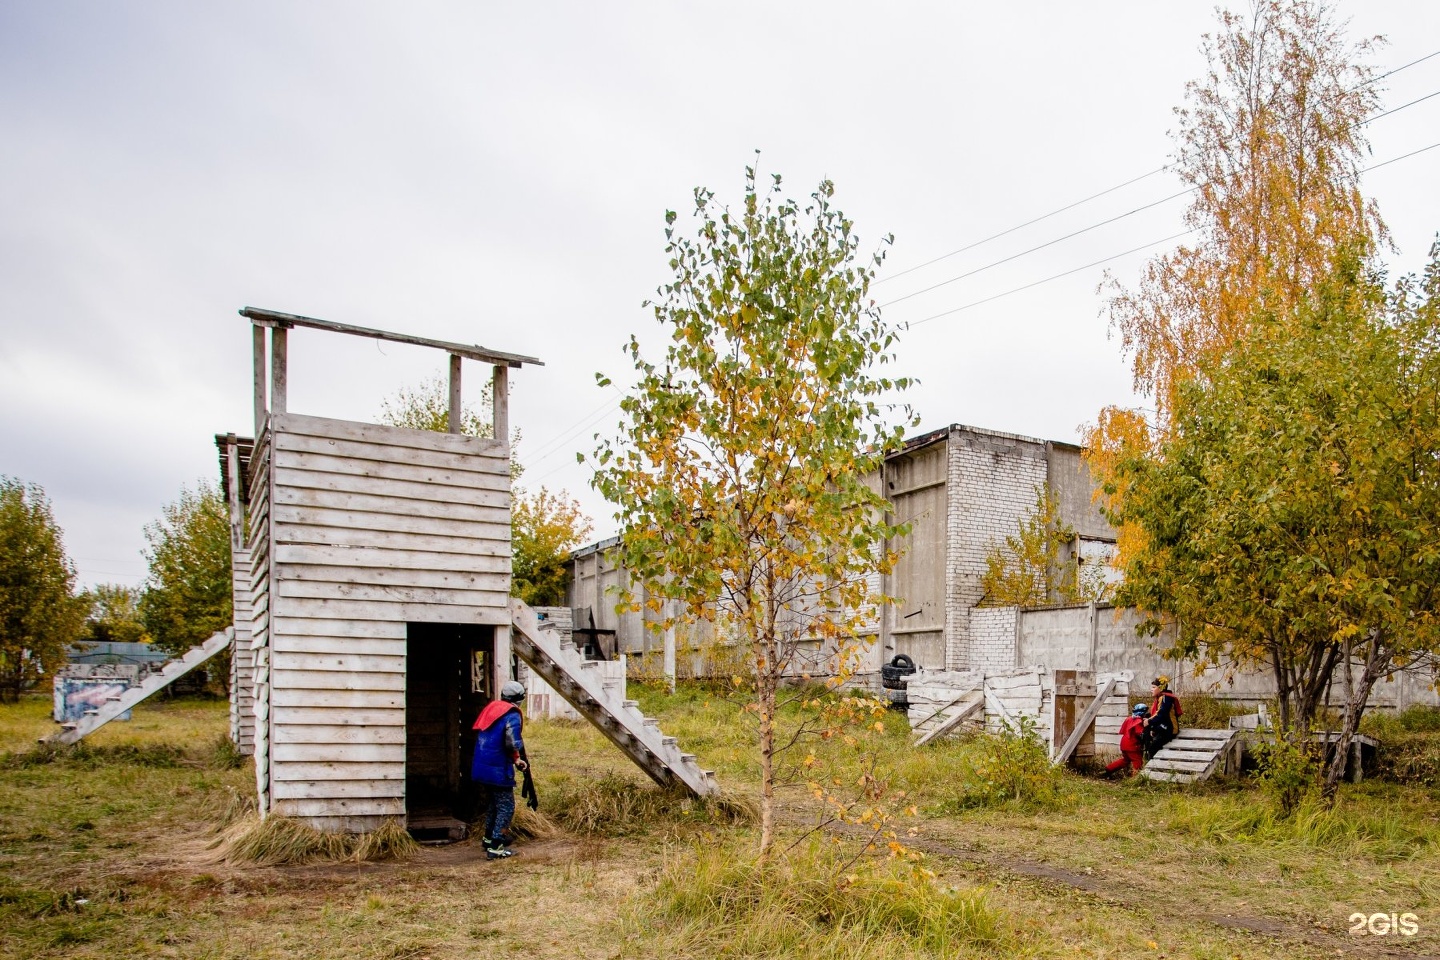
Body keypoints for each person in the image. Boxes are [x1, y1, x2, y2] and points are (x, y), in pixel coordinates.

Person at [471, 680, 529, 860]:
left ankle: (488, 839)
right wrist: (518, 758)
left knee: (494, 805)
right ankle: (497, 846)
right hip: (497, 769)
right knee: (507, 807)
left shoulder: (492, 709)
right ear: (519, 699)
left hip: (481, 766)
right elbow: (512, 741)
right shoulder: (511, 714)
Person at [1143, 675, 1183, 759]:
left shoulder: (1166, 698)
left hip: (1170, 729)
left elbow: (1161, 714)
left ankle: (1152, 766)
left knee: (1153, 748)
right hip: (1164, 726)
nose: (1151, 689)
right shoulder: (1161, 697)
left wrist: (1149, 722)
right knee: (1145, 734)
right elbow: (1156, 714)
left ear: (1160, 688)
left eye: (1154, 687)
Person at [1105, 703, 1149, 777]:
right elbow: (1140, 733)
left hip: (1124, 743)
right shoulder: (1138, 721)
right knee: (1137, 762)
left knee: (1125, 760)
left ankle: (1108, 769)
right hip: (1132, 745)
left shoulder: (1129, 718)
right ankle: (1135, 779)